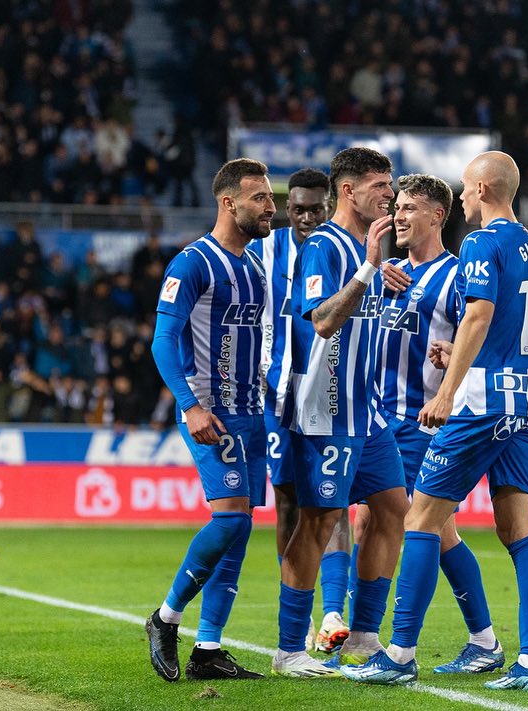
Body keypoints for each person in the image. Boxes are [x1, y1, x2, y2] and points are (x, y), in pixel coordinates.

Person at [341, 151, 528, 691]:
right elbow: (506, 328)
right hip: (526, 399)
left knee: (420, 522)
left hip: (477, 404)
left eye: (464, 187)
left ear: (482, 189)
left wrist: (448, 391)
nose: (461, 196)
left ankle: (398, 652)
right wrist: (454, 355)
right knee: (518, 531)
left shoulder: (480, 243)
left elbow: (479, 316)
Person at [271, 147, 412, 678]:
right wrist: (369, 269)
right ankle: (289, 649)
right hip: (325, 409)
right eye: (380, 185)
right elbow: (323, 320)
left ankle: (363, 636)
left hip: (366, 410)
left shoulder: (366, 247)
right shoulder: (324, 246)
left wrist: (378, 273)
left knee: (394, 509)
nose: (390, 195)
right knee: (318, 521)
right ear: (348, 191)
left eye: (391, 184)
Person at [367, 173, 505, 676]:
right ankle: (482, 640)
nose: (398, 216)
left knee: (409, 525)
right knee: (432, 530)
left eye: (408, 208)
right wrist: (372, 275)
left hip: (420, 420)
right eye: (396, 207)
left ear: (436, 215)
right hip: (378, 415)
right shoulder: (391, 274)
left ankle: (382, 643)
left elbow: (485, 334)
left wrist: (452, 374)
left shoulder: (458, 274)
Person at [144, 158, 272, 682]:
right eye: (260, 198)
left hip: (252, 411)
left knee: (240, 528)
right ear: (228, 202)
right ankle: (166, 617)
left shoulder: (256, 266)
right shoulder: (192, 263)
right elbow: (162, 341)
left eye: (270, 197)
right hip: (210, 412)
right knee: (231, 520)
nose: (270, 207)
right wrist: (190, 405)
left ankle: (209, 649)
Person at [247, 168, 351, 654]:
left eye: (316, 209)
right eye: (298, 209)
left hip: (331, 390)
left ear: (329, 206)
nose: (307, 217)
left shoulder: (344, 249)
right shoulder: (263, 250)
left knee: (334, 499)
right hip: (276, 393)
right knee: (287, 499)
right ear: (287, 209)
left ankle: (334, 611)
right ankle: (301, 609)